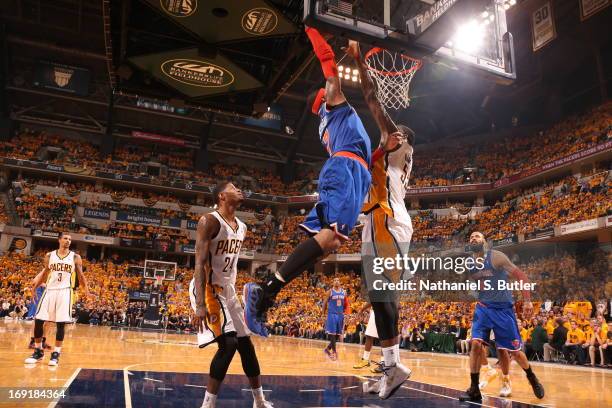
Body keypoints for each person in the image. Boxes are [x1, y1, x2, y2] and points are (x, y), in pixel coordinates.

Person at [243, 27, 372, 337]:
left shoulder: (333, 125)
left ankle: (266, 293)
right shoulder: (334, 109)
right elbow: (328, 63)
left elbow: (364, 152)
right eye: (330, 91)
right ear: (324, 100)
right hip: (346, 171)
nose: (334, 90)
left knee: (329, 245)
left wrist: (381, 151)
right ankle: (264, 291)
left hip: (355, 172)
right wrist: (313, 27)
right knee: (329, 239)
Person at [346, 39, 414, 399]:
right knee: (381, 298)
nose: (387, 133)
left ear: (399, 138)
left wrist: (358, 60)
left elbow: (372, 97)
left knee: (381, 295)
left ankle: (392, 366)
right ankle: (391, 366)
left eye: (391, 132)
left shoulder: (397, 145)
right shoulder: (390, 157)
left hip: (387, 220)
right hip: (378, 222)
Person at [191, 182, 273, 408]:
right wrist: (199, 303)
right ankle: (207, 405)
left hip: (229, 290)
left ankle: (259, 401)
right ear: (221, 196)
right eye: (233, 187)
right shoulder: (209, 221)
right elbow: (199, 264)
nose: (239, 189)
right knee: (228, 345)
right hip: (209, 288)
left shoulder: (242, 227)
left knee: (246, 347)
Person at [459, 231, 544, 401]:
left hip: (503, 310)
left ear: (484, 241)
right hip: (483, 308)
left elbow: (521, 276)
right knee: (475, 344)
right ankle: (474, 388)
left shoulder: (496, 257)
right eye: (471, 237)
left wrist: (527, 301)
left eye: (477, 236)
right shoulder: (469, 263)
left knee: (511, 351)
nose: (473, 238)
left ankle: (531, 377)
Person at [24, 232, 89, 366]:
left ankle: (56, 354)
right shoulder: (49, 256)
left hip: (65, 291)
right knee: (39, 320)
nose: (68, 241)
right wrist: (34, 288)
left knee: (60, 323)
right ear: (59, 240)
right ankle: (38, 351)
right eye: (65, 238)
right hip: (49, 290)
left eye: (70, 239)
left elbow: (81, 276)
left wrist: (86, 291)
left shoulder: (75, 257)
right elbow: (45, 273)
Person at [322, 278, 349, 360]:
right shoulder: (330, 292)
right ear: (333, 283)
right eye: (335, 280)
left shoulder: (344, 292)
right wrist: (323, 314)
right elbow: (324, 303)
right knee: (332, 334)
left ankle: (327, 349)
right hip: (332, 314)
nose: (336, 281)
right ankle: (334, 352)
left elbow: (346, 304)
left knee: (337, 334)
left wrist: (347, 314)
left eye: (338, 280)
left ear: (340, 282)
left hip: (340, 315)